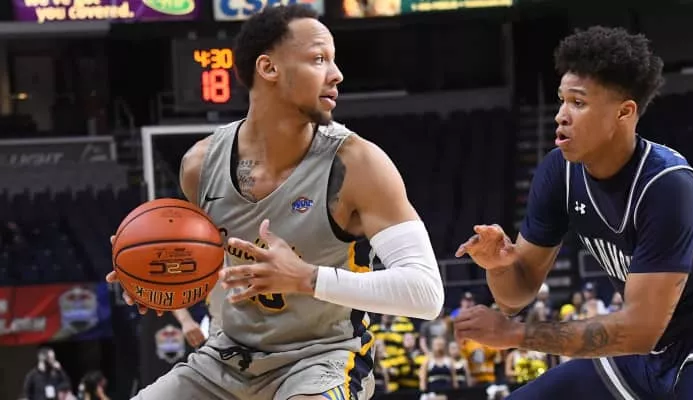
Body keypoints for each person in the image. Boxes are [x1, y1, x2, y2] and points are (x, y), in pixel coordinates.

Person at [106, 4, 444, 400]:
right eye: (319, 59)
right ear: (268, 68)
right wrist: (155, 273)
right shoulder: (200, 165)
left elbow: (426, 293)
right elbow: (207, 263)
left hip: (322, 359)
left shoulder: (358, 164)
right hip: (226, 359)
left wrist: (307, 278)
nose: (337, 74)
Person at [453, 26, 693, 399]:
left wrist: (516, 334)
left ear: (624, 112)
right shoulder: (559, 171)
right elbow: (514, 298)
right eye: (562, 100)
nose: (561, 115)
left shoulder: (668, 187)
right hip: (643, 355)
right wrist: (499, 265)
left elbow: (640, 329)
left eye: (578, 102)